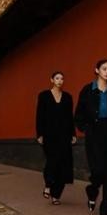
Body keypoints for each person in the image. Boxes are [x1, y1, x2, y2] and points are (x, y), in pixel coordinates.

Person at [75, 59, 107, 215]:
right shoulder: (87, 90)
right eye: (104, 68)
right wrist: (85, 129)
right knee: (98, 170)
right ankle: (92, 190)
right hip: (94, 135)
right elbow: (78, 114)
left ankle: (105, 207)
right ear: (97, 70)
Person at [35, 71, 76, 205]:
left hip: (64, 135)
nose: (60, 81)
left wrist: (73, 134)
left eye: (62, 79)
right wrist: (40, 134)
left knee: (63, 165)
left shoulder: (68, 97)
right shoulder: (44, 96)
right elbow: (39, 115)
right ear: (52, 80)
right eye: (57, 78)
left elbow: (70, 117)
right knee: (52, 161)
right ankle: (48, 184)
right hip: (49, 135)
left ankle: (56, 195)